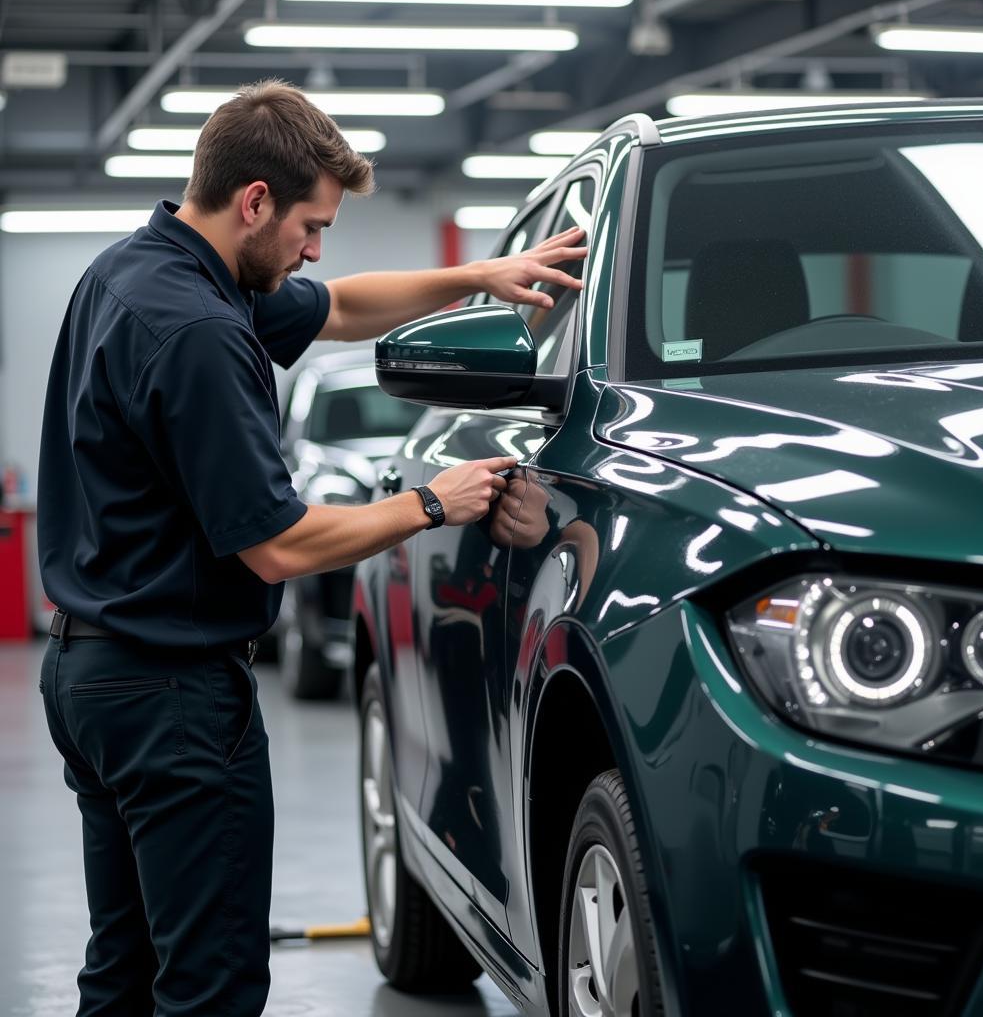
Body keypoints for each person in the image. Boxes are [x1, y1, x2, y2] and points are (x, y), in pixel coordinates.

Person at [36, 79, 586, 1017]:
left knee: (121, 973)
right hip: (173, 701)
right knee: (210, 986)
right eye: (309, 226)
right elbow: (278, 547)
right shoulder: (200, 331)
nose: (315, 249)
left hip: (92, 683)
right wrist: (428, 502)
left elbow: (334, 307)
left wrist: (478, 278)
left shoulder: (139, 273)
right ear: (255, 200)